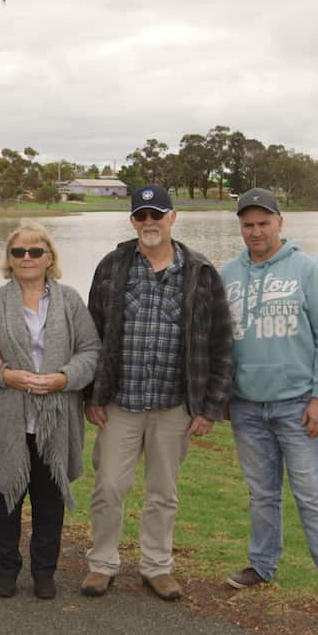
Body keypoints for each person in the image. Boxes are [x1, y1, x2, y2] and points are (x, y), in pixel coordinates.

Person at [80, 185, 233, 602]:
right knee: (109, 486)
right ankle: (102, 563)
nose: (150, 222)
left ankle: (156, 566)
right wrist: (92, 394)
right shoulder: (112, 266)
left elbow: (221, 342)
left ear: (173, 217)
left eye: (157, 214)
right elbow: (91, 333)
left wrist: (210, 405)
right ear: (133, 220)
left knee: (163, 492)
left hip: (174, 406)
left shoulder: (200, 272)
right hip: (119, 403)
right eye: (142, 215)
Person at [218, 187, 318, 617]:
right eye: (248, 224)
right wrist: (223, 391)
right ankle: (261, 566)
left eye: (264, 223)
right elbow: (220, 340)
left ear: (280, 223)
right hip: (247, 406)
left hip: (297, 404)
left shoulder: (307, 269)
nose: (256, 231)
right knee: (262, 493)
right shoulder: (227, 275)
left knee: (313, 495)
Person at [0, 221, 100, 600]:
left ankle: (44, 572)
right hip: (4, 418)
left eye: (35, 251)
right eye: (18, 252)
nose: (26, 258)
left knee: (49, 499)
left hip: (55, 418)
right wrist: (4, 375)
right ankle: (6, 570)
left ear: (49, 256)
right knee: (3, 497)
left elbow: (91, 352)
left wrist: (63, 378)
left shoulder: (69, 301)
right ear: (8, 259)